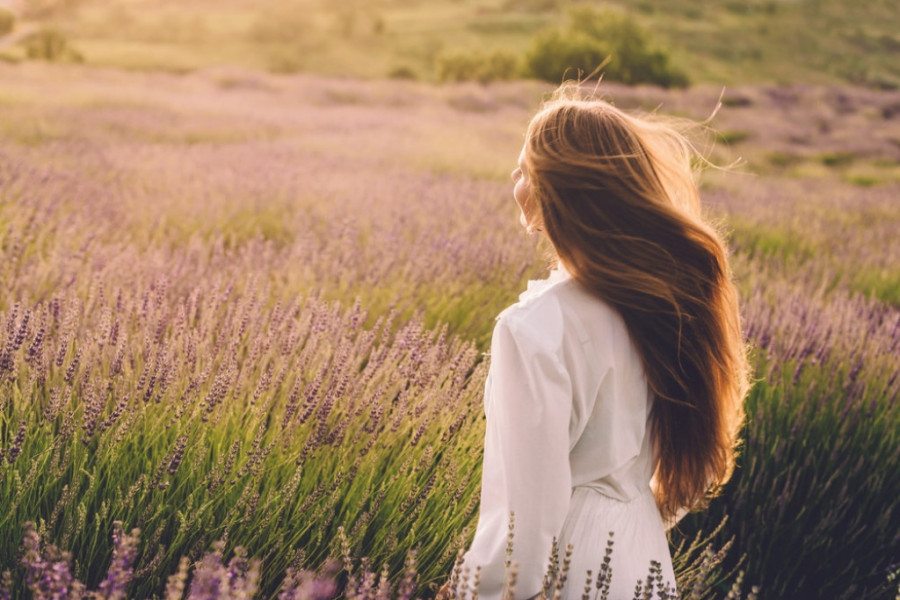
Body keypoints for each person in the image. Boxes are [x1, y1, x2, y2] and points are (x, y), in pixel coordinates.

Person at [449, 84, 750, 600]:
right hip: (642, 555)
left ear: (559, 189)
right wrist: (626, 517)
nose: (514, 180)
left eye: (525, 169)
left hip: (570, 566)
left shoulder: (532, 328)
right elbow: (690, 459)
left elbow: (521, 528)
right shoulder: (660, 304)